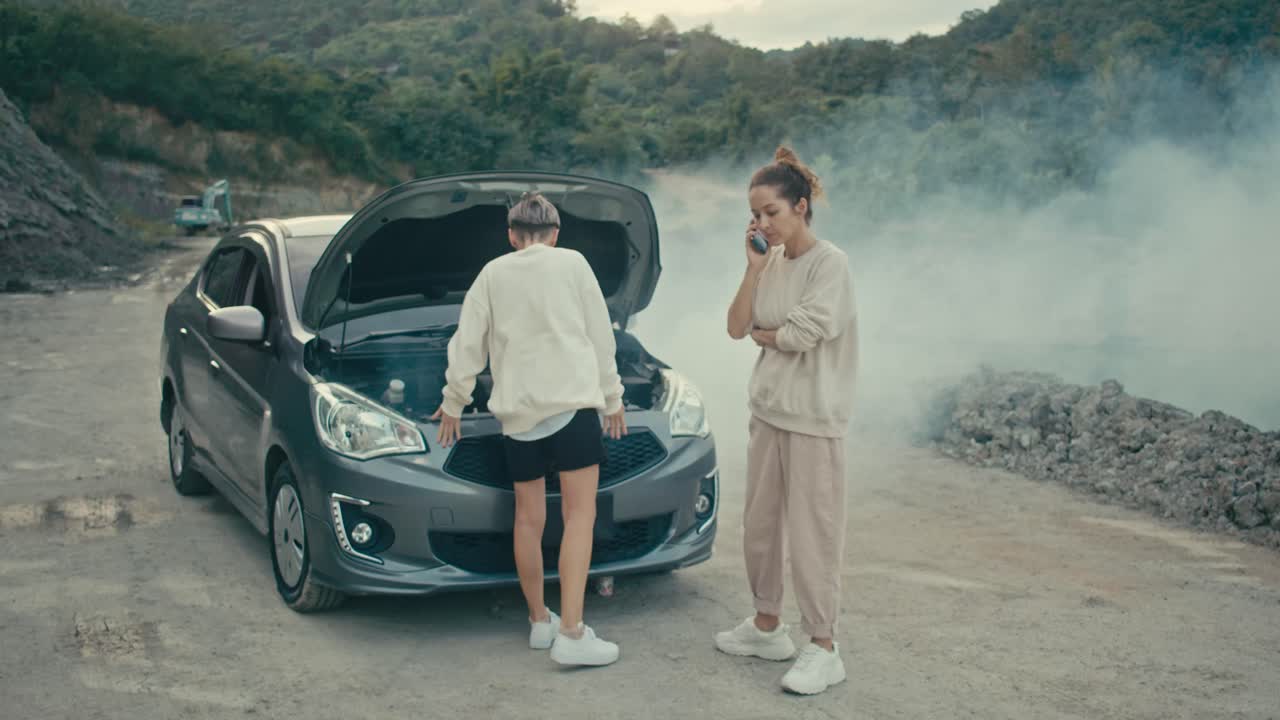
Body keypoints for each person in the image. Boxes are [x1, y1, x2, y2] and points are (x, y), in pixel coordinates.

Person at [431, 192, 627, 667]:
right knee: (579, 517)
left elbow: (468, 343)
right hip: (572, 409)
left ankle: (541, 621)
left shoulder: (492, 274)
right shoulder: (574, 264)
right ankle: (573, 633)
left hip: (518, 416)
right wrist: (614, 397)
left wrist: (453, 403)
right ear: (556, 235)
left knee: (528, 519)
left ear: (512, 236)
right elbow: (601, 335)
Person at [715, 146, 859, 695]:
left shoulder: (831, 264)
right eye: (754, 215)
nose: (761, 223)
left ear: (801, 207)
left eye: (771, 212)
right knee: (761, 528)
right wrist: (753, 271)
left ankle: (824, 645)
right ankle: (767, 624)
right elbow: (734, 327)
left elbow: (801, 334)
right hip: (768, 411)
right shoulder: (769, 261)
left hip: (815, 419)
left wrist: (766, 335)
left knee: (814, 534)